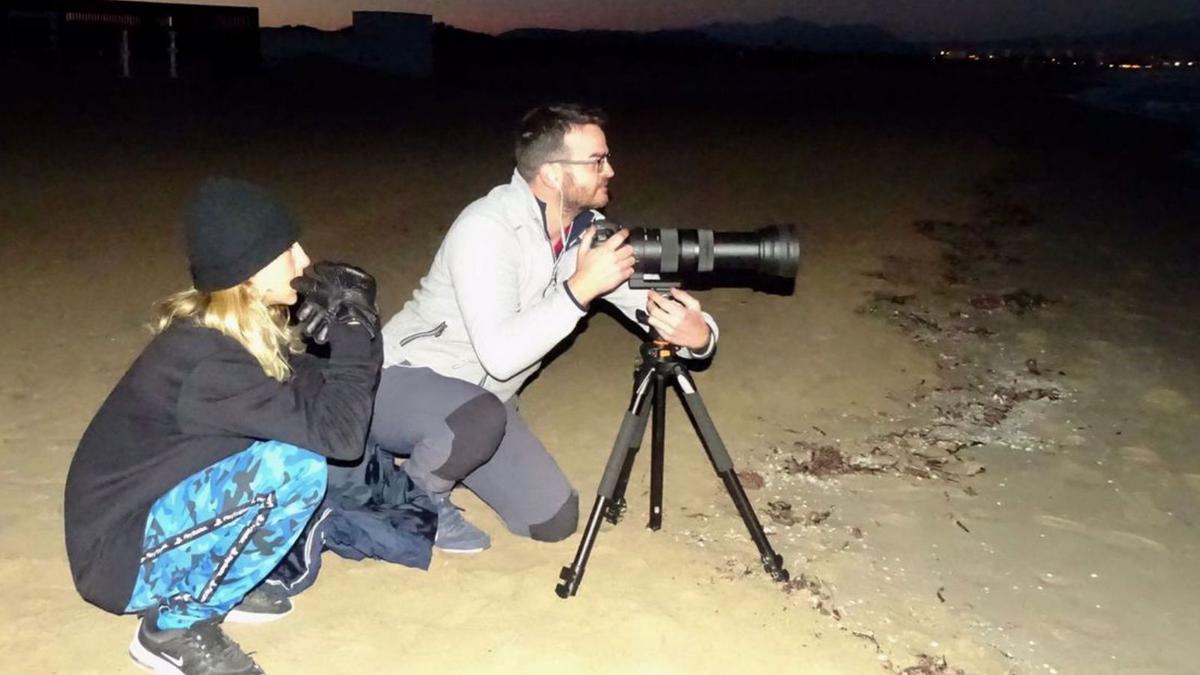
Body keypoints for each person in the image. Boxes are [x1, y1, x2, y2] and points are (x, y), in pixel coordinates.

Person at [354, 103, 717, 553]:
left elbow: (654, 304)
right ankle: (409, 500)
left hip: (483, 405)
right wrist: (579, 289)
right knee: (476, 417)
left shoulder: (592, 233)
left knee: (552, 518)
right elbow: (500, 356)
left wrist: (698, 336)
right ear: (550, 173)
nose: (611, 170)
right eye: (597, 161)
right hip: (398, 381)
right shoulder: (487, 228)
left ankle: (438, 455)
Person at [63, 177, 383, 675]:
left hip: (143, 521)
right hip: (117, 561)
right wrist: (354, 336)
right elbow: (340, 438)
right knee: (293, 467)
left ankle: (217, 580)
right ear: (249, 273)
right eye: (287, 250)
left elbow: (317, 397)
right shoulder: (209, 363)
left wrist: (349, 342)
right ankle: (173, 628)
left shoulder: (231, 335)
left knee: (293, 444)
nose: (303, 261)